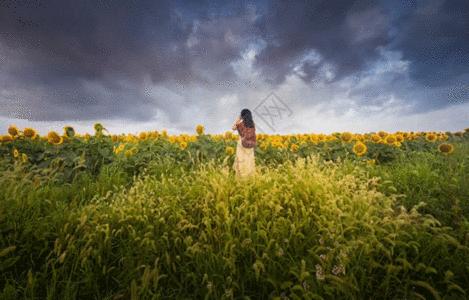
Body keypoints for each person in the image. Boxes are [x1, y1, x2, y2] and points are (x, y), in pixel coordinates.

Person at [232, 109, 257, 180]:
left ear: (242, 116)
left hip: (241, 144)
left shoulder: (241, 125)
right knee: (248, 160)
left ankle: (241, 178)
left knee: (241, 160)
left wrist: (238, 120)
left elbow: (233, 128)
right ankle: (249, 178)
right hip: (250, 144)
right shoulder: (252, 124)